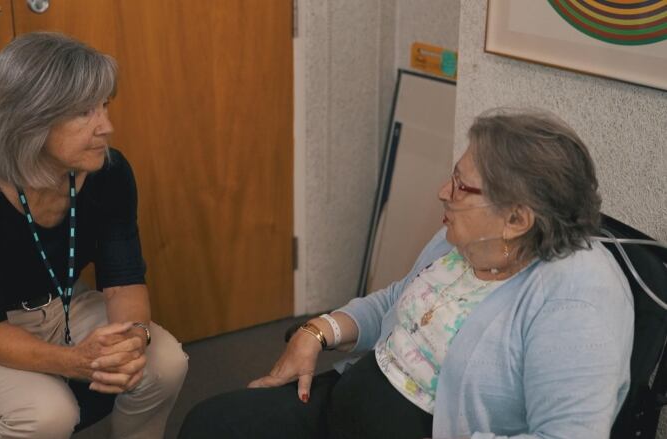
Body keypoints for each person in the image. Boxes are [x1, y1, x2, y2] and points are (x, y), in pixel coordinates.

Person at [179, 109, 634, 439]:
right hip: (345, 399)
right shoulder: (464, 242)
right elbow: (396, 301)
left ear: (517, 219)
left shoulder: (577, 303)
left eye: (460, 185)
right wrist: (317, 332)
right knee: (211, 423)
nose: (442, 192)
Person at [0, 32, 188, 439]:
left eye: (105, 105)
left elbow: (122, 281)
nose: (107, 127)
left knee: (165, 362)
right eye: (85, 112)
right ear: (28, 118)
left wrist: (134, 338)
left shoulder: (110, 172)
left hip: (66, 302)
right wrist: (76, 362)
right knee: (49, 414)